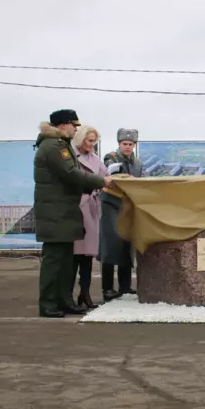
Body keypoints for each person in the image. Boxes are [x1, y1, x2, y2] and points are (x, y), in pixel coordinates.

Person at [33, 109, 114, 318]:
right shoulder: (53, 146)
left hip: (63, 211)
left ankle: (64, 301)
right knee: (54, 261)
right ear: (62, 126)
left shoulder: (59, 145)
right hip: (56, 212)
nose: (76, 129)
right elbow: (71, 173)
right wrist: (101, 182)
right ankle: (48, 303)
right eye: (73, 125)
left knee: (65, 262)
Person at [99, 128, 144, 301]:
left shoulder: (138, 163)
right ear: (119, 144)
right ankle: (107, 288)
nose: (127, 147)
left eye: (130, 144)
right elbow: (114, 174)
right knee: (110, 245)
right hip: (111, 204)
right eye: (124, 144)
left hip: (128, 205)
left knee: (126, 244)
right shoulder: (112, 157)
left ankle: (125, 286)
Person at [70, 125, 107, 309]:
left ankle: (85, 294)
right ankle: (68, 296)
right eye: (89, 140)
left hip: (91, 208)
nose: (92, 144)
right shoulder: (70, 156)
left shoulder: (95, 158)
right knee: (74, 257)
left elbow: (106, 177)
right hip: (76, 207)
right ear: (80, 139)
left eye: (94, 141)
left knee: (87, 256)